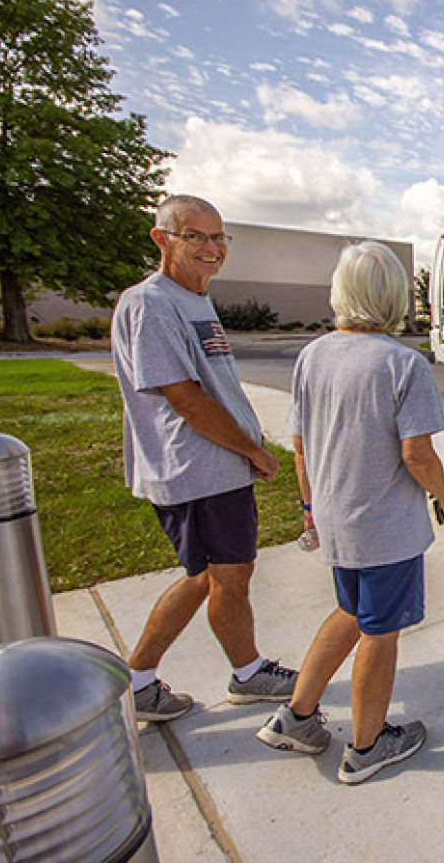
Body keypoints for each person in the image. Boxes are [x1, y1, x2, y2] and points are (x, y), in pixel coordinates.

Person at [256, 242, 444, 784]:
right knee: (380, 631)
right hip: (384, 528)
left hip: (336, 519)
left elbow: (299, 445)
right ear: (392, 295)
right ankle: (367, 745)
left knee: (350, 612)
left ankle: (296, 717)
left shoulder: (312, 356)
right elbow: (417, 454)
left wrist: (309, 509)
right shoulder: (403, 364)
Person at [110, 194, 297, 722]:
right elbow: (185, 397)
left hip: (213, 468)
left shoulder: (194, 299)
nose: (211, 248)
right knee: (225, 576)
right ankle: (245, 674)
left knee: (210, 576)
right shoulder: (151, 303)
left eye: (218, 238)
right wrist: (252, 450)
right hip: (196, 468)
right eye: (195, 236)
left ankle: (142, 680)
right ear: (161, 239)